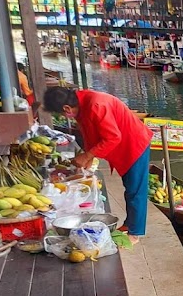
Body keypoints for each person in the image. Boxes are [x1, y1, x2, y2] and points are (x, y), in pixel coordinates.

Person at [42, 86, 152, 240]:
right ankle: (130, 223)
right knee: (129, 188)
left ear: (66, 108)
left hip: (134, 143)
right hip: (123, 144)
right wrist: (88, 157)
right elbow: (88, 132)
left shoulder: (96, 105)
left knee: (136, 191)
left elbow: (113, 138)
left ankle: (136, 233)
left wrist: (88, 155)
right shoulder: (81, 105)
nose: (64, 116)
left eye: (61, 113)